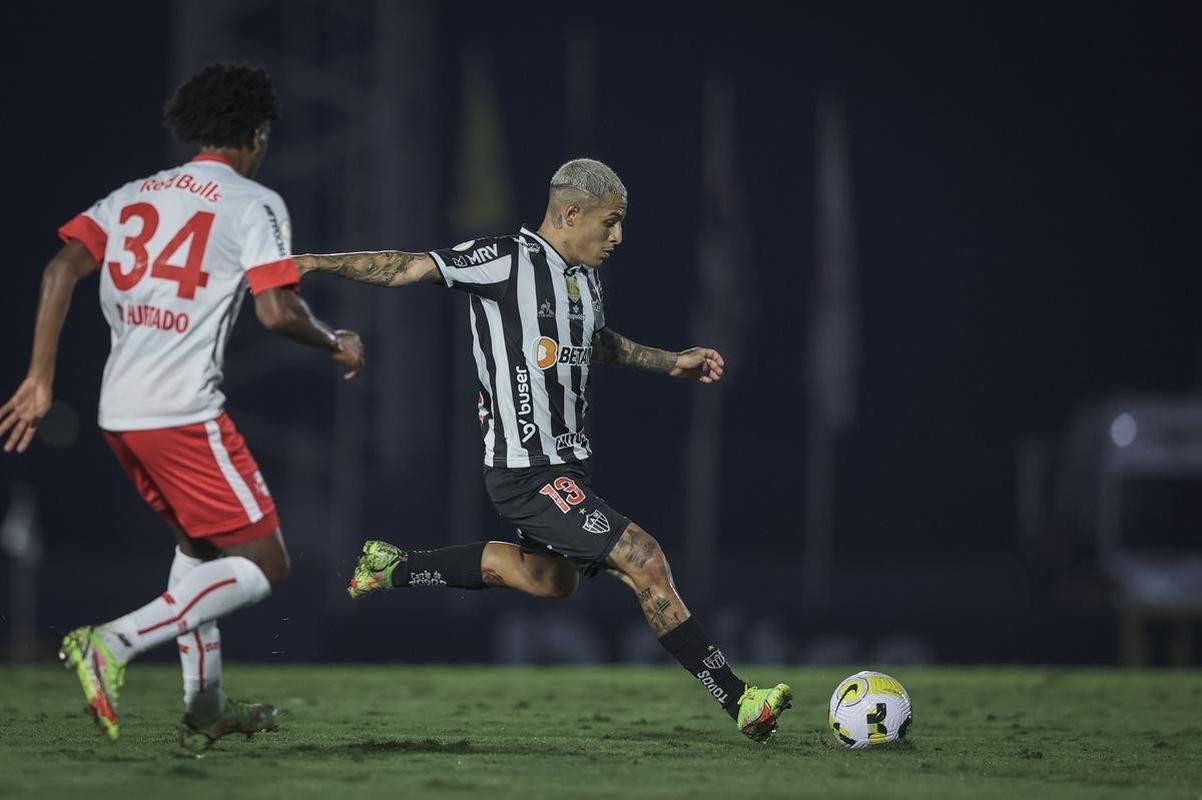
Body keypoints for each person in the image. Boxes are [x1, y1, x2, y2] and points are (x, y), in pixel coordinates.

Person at [295, 158, 790, 742]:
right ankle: (739, 700)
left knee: (548, 580)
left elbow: (596, 340)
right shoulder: (505, 258)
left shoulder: (584, 278)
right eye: (610, 223)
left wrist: (669, 361)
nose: (618, 237)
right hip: (524, 470)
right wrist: (311, 263)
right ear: (570, 211)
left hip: (563, 464)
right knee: (645, 559)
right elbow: (407, 266)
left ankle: (392, 567)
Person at [0, 62, 364, 748]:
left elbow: (59, 268)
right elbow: (277, 310)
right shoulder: (253, 203)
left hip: (120, 413)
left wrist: (40, 379)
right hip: (182, 413)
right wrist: (334, 340)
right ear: (255, 136)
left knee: (199, 555)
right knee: (264, 565)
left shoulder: (132, 195)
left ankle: (205, 708)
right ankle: (111, 642)